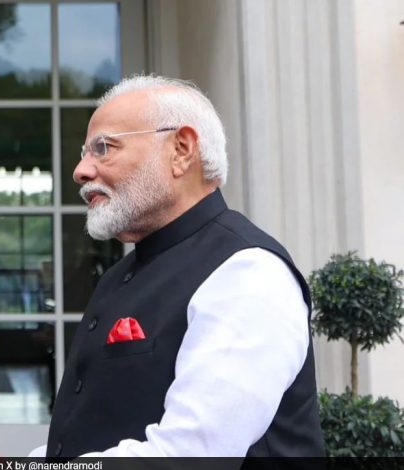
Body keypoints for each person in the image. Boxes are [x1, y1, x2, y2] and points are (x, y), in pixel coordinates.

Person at [36, 74, 325, 457]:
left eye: (103, 148)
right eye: (84, 152)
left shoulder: (248, 272)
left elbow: (191, 453)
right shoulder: (119, 276)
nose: (81, 170)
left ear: (182, 149)